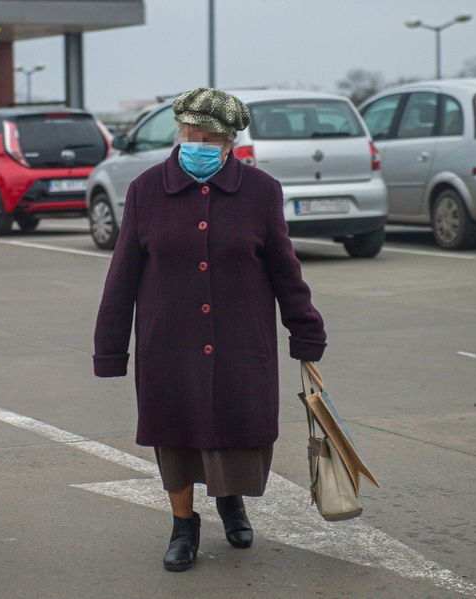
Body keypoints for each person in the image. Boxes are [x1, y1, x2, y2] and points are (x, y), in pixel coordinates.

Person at [92, 87, 326, 572]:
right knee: (173, 434)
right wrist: (110, 349)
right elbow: (123, 274)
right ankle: (183, 526)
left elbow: (285, 268)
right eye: (189, 135)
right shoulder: (146, 190)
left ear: (229, 143)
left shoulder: (262, 192)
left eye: (209, 138)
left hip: (241, 341)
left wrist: (305, 329)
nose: (196, 144)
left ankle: (230, 501)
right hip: (168, 343)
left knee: (237, 430)